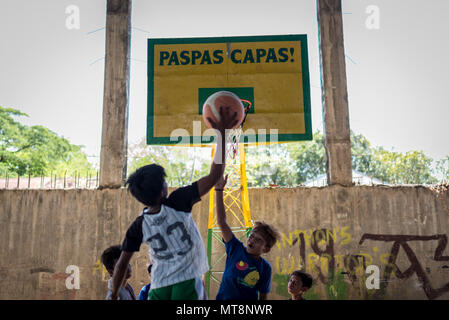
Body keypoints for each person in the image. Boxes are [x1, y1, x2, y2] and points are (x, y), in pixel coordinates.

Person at [108, 107, 238, 300]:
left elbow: (120, 265)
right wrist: (222, 135)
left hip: (159, 285)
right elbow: (214, 176)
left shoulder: (139, 225)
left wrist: (113, 294)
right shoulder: (178, 201)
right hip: (186, 281)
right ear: (162, 191)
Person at [214, 175, 280, 300]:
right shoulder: (235, 248)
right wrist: (218, 190)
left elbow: (263, 296)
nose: (252, 240)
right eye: (252, 236)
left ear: (266, 249)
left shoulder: (265, 268)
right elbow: (222, 222)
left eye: (259, 240)